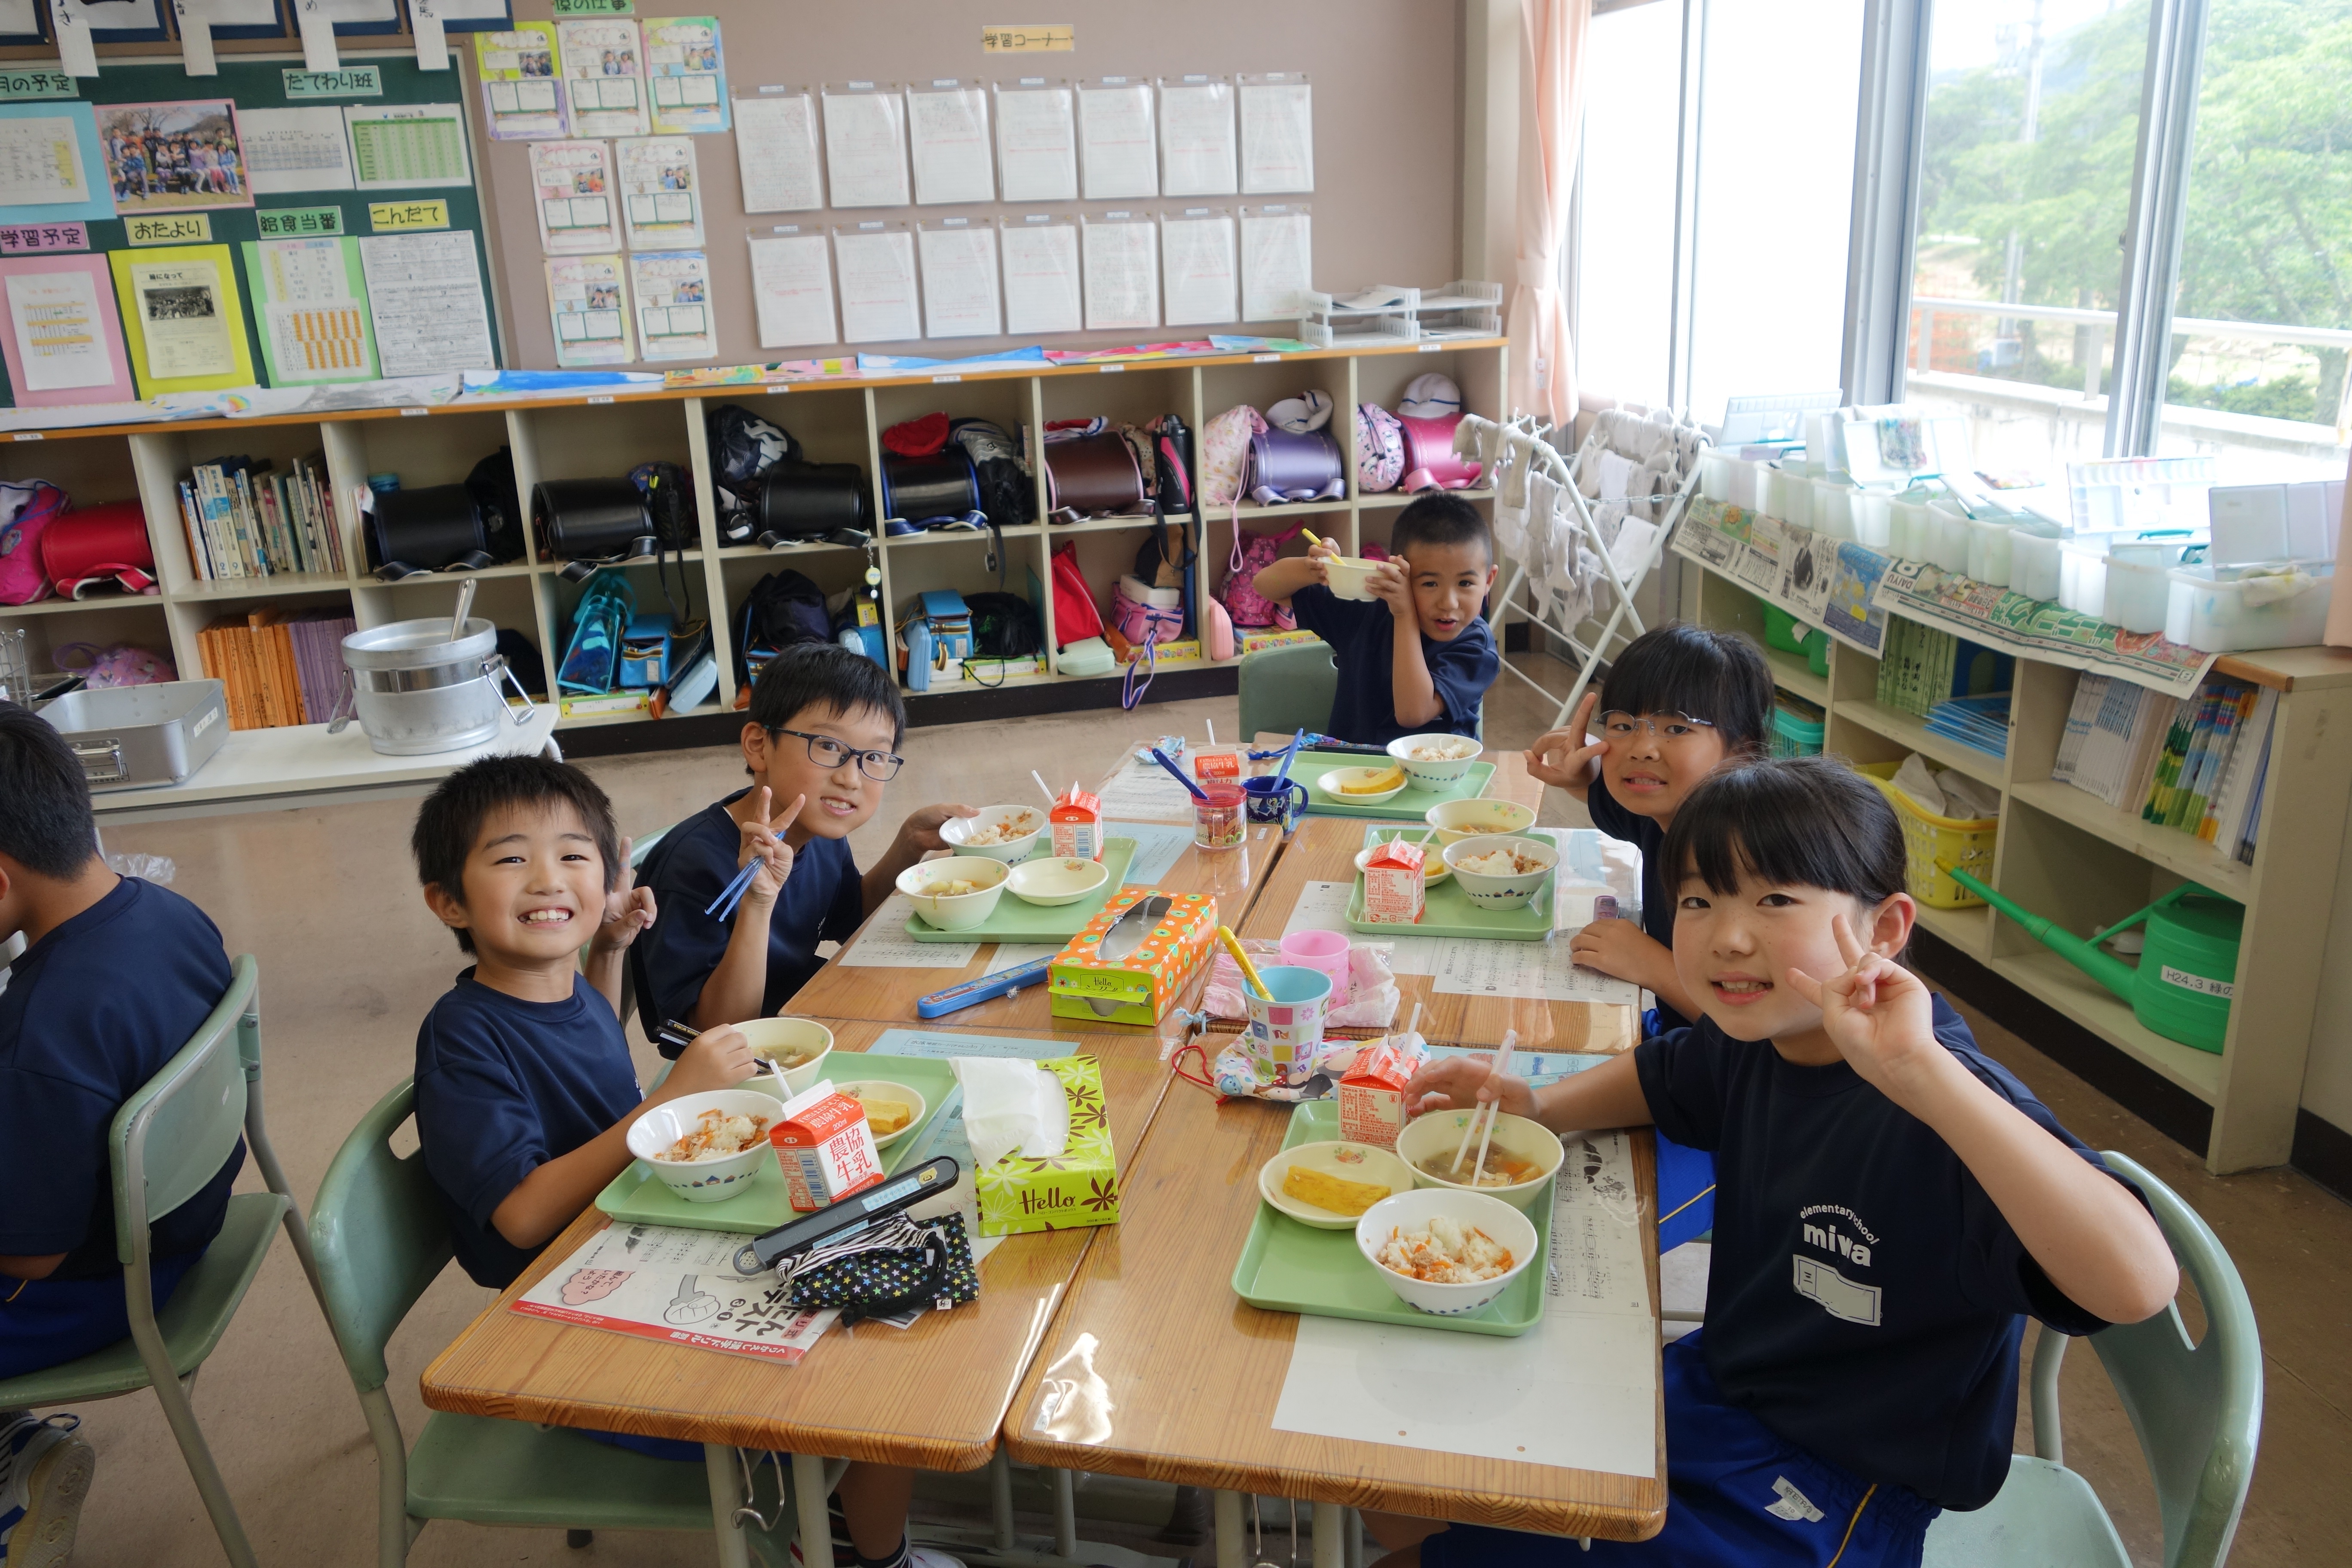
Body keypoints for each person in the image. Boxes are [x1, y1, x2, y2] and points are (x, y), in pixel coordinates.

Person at [1375, 757, 2179, 1568]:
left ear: (1885, 930)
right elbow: (1665, 1077)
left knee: (1442, 1535)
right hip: (1718, 1392)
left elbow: (2137, 1284)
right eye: (1699, 900)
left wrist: (1921, 1074)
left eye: (1775, 900)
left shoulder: (1943, 1102)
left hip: (1844, 1487)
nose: (1728, 937)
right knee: (1425, 1479)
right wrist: (1539, 1104)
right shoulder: (1763, 1033)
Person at [408, 754, 962, 1568]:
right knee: (871, 1371)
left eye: (572, 855)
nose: (547, 879)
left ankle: (852, 1519)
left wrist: (607, 953)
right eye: (511, 859)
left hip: (635, 1247)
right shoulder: (463, 1037)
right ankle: (862, 1554)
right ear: (448, 901)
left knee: (907, 1260)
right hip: (571, 1332)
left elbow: (589, 1049)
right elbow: (522, 1216)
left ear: (606, 877)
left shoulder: (562, 986)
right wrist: (669, 1100)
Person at [0, 702, 241, 1568]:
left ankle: (9, 1489)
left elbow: (28, 1257)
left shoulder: (43, 1028)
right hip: (181, 1217)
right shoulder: (167, 913)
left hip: (98, 1285)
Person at [632, 644, 973, 1042]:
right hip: (757, 1056)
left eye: (874, 757)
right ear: (759, 746)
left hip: (811, 1012)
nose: (851, 779)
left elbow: (852, 920)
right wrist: (758, 902)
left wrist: (910, 843)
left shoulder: (818, 829)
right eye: (828, 746)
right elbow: (714, 1035)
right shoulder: (690, 866)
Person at [1523, 622, 1773, 1036]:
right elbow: (1604, 796)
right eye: (1623, 725)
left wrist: (1651, 964)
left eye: (1677, 728)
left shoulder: (1751, 865)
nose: (1642, 749)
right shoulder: (1665, 815)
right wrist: (1582, 776)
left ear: (1742, 752)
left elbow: (1763, 1032)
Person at [1248, 492, 1500, 746]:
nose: (1448, 603)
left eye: (1465, 583)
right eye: (1430, 583)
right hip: (1351, 767)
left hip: (1437, 768)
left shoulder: (1476, 646)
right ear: (1398, 572)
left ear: (1488, 580)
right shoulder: (1367, 607)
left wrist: (1404, 615)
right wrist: (1314, 569)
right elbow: (1266, 585)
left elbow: (1413, 714)